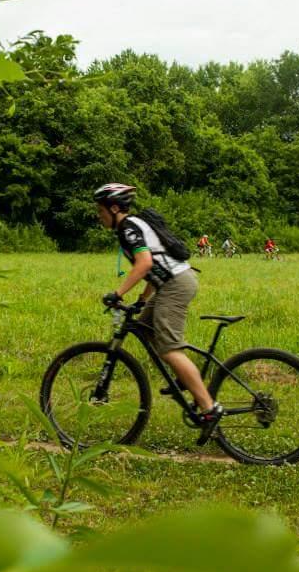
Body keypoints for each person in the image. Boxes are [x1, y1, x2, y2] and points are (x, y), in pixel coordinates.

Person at [93, 183, 223, 427]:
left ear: (113, 208)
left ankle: (208, 408)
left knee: (169, 348)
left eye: (100, 211)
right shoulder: (134, 225)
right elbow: (154, 266)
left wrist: (117, 293)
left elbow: (144, 264)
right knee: (144, 329)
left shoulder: (128, 229)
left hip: (176, 284)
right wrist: (142, 300)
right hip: (173, 281)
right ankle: (183, 376)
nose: (99, 217)